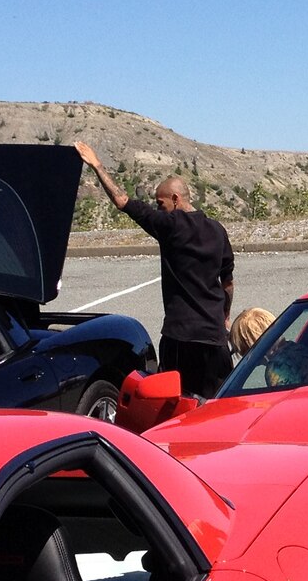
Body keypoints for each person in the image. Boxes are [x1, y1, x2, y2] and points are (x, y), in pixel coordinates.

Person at [74, 142, 235, 398]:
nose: (159, 208)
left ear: (175, 199)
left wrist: (97, 165)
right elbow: (227, 281)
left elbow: (122, 201)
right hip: (215, 338)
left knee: (174, 403)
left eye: (161, 203)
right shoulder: (218, 230)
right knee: (218, 405)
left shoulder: (169, 225)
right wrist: (224, 315)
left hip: (180, 337)